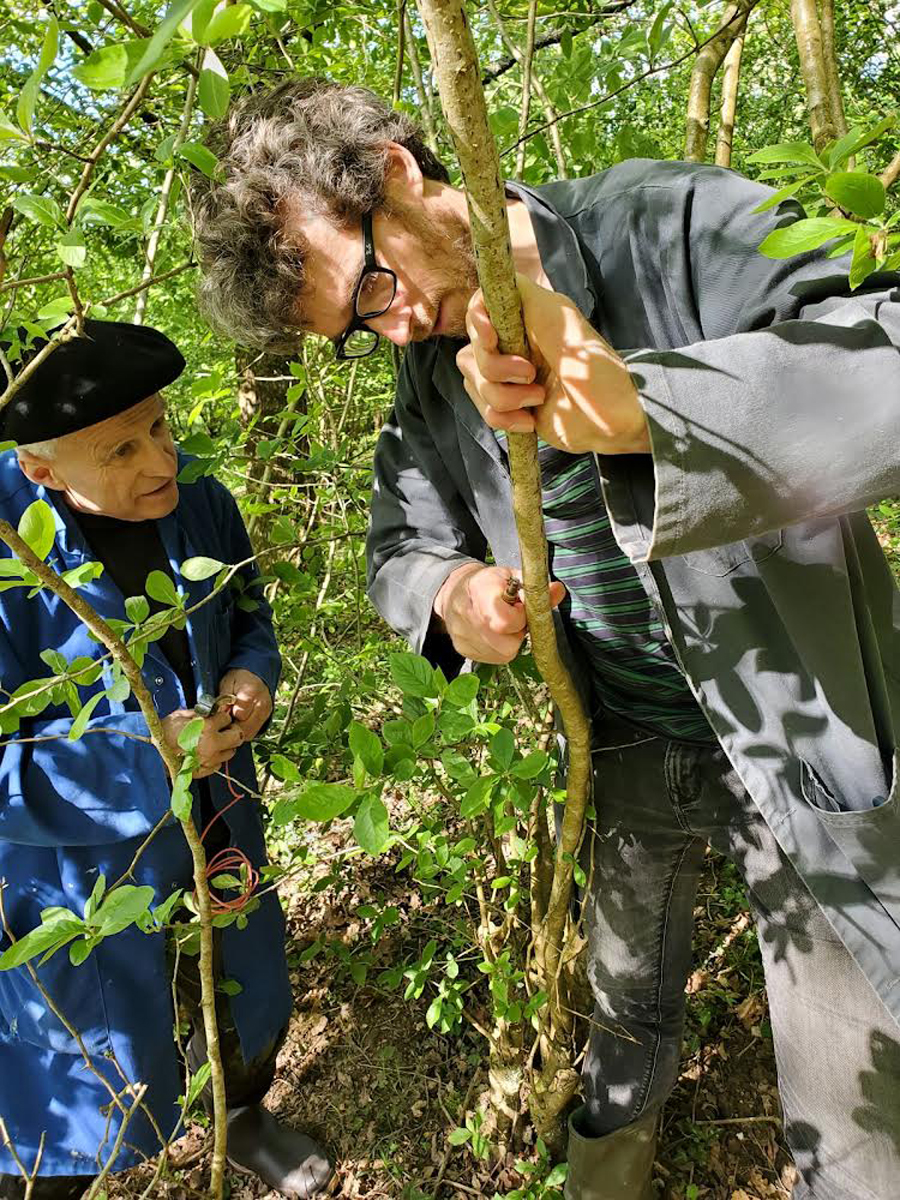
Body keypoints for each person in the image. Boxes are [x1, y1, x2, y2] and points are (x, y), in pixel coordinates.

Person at [191, 77, 900, 1200]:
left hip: (807, 738)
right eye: (356, 327)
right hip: (627, 747)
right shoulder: (426, 373)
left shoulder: (665, 225)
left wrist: (649, 409)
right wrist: (453, 595)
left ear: (398, 173)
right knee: (628, 1005)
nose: (396, 324)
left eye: (373, 284)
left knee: (854, 1068)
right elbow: (397, 547)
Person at [0, 321, 332, 1199]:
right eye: (121, 450)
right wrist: (145, 761)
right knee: (83, 1075)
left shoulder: (202, 504)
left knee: (240, 976)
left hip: (220, 811)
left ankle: (242, 1114)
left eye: (161, 426)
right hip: (79, 872)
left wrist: (251, 674)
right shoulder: (10, 557)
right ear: (40, 470)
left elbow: (248, 610)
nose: (161, 463)